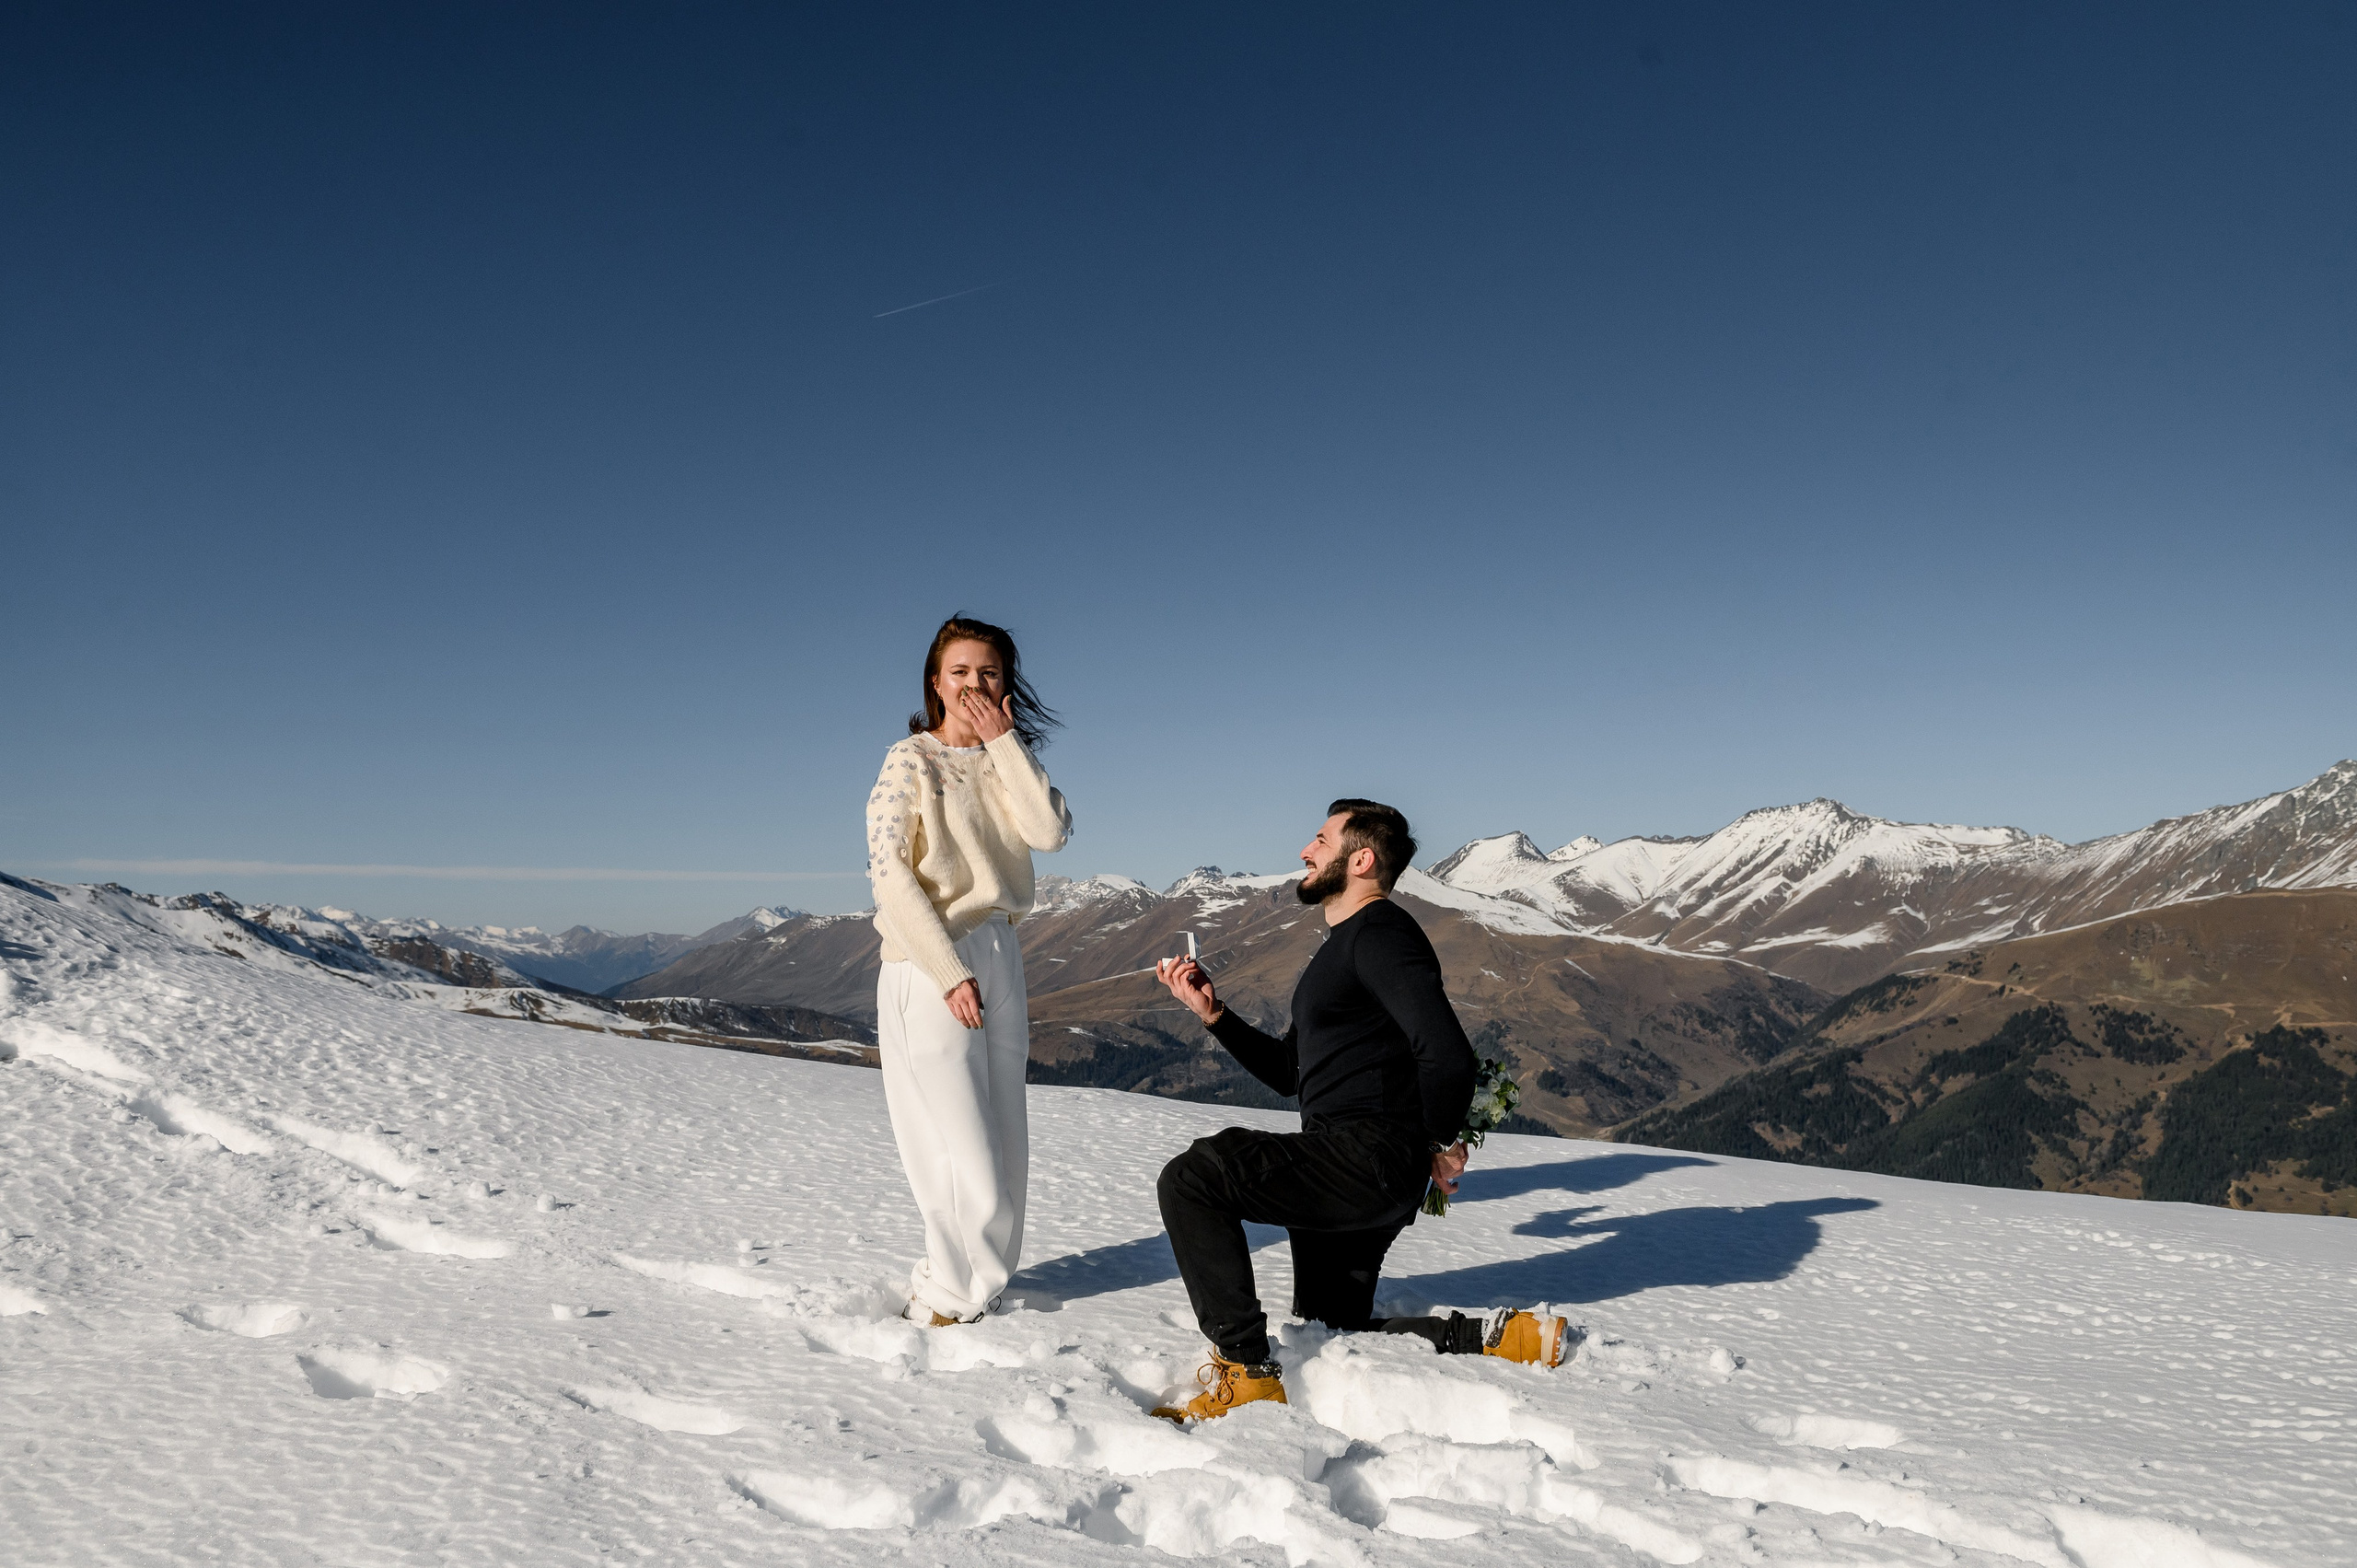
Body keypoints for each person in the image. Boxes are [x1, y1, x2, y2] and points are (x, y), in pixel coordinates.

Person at [1149, 799, 1574, 1423]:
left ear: (1361, 858)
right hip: (1356, 1166)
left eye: (1320, 839)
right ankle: (1496, 1337)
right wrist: (1214, 1014)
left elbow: (1448, 1055)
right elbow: (1291, 1073)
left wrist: (1435, 1142)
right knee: (1330, 1331)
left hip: (1363, 1158)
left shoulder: (1379, 935)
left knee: (1194, 1177)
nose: (1304, 850)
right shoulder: (1347, 946)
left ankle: (1245, 1372)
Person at [865, 615, 1071, 1327]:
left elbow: (1048, 830)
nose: (974, 684)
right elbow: (889, 873)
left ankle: (982, 1283)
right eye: (961, 672)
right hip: (931, 959)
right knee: (955, 1142)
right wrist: (948, 970)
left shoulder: (1002, 760)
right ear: (935, 682)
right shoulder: (908, 761)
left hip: (1001, 948)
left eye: (989, 673)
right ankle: (948, 1297)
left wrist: (1004, 740)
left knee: (1006, 1132)